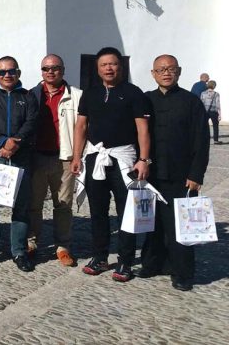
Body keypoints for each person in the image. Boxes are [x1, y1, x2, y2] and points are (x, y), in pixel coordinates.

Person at [70, 47, 151, 282]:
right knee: (98, 211)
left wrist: (143, 159)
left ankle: (125, 261)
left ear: (120, 66)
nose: (108, 68)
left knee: (126, 212)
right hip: (96, 157)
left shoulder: (134, 93)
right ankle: (100, 257)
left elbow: (142, 129)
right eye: (104, 65)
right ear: (97, 69)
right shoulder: (90, 93)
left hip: (124, 160)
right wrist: (77, 156)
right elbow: (81, 126)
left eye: (113, 64)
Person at [140, 54, 209, 291]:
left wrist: (196, 175)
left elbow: (201, 141)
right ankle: (152, 264)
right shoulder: (146, 100)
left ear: (178, 71)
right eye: (161, 69)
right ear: (153, 74)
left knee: (180, 225)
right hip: (151, 174)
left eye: (170, 69)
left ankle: (182, 273)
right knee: (152, 222)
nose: (166, 73)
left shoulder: (191, 102)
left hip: (181, 174)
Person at [0, 56, 38, 272]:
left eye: (11, 71)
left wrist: (14, 144)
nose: (7, 75)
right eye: (2, 72)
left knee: (20, 207)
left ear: (18, 73)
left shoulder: (28, 96)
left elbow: (31, 123)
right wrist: (2, 141)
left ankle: (19, 251)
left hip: (20, 157)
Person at [27, 54, 82, 267]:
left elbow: (82, 128)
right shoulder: (32, 94)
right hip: (38, 156)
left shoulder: (76, 96)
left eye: (55, 68)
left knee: (63, 205)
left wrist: (78, 155)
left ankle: (63, 246)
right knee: (34, 204)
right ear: (41, 71)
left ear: (63, 70)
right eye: (46, 68)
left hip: (64, 158)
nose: (51, 72)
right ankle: (32, 242)